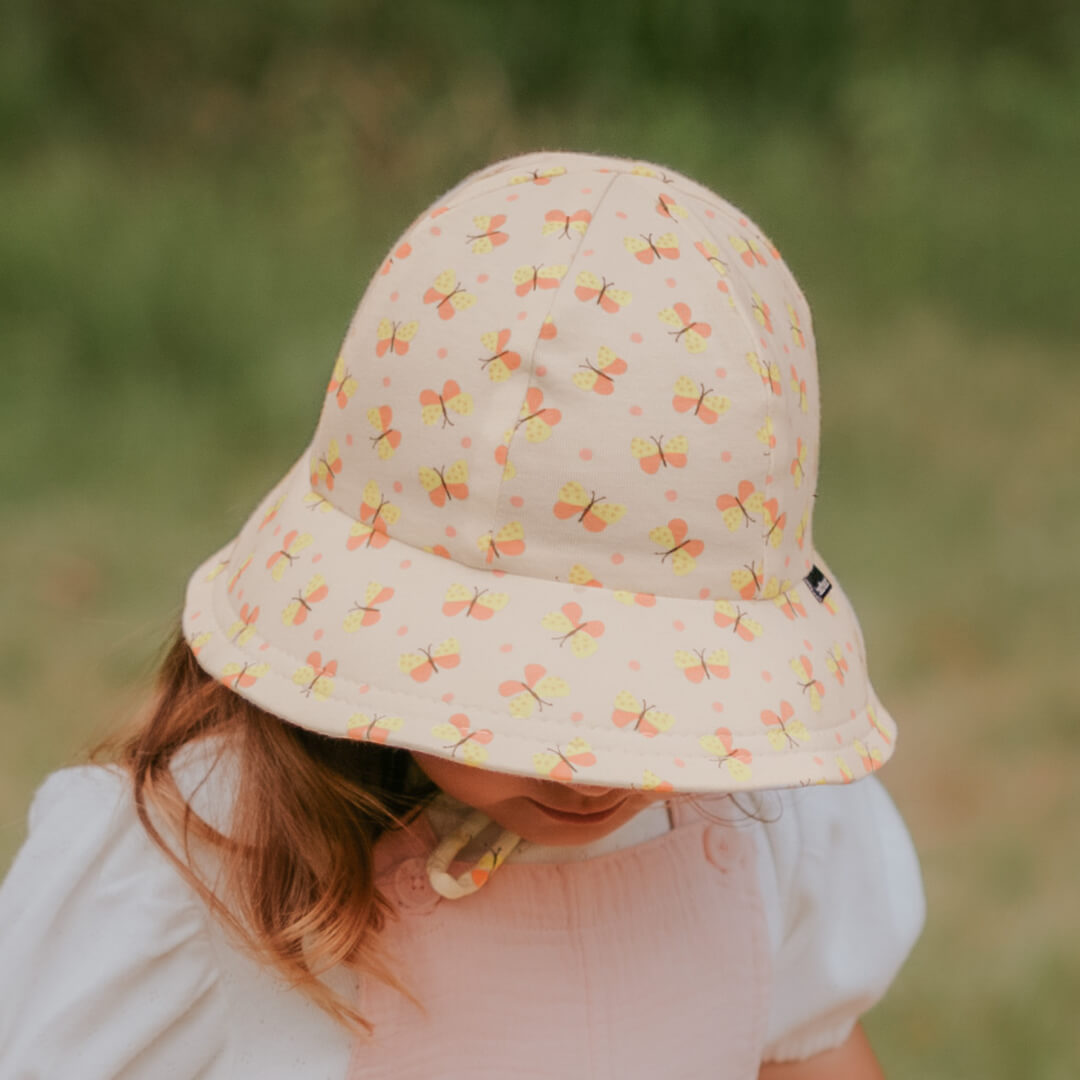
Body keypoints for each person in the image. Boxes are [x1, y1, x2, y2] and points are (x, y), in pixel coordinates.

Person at [0, 149, 926, 1079]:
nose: (592, 765)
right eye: (545, 690)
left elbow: (811, 1052)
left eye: (648, 703)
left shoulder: (771, 818)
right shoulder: (195, 869)